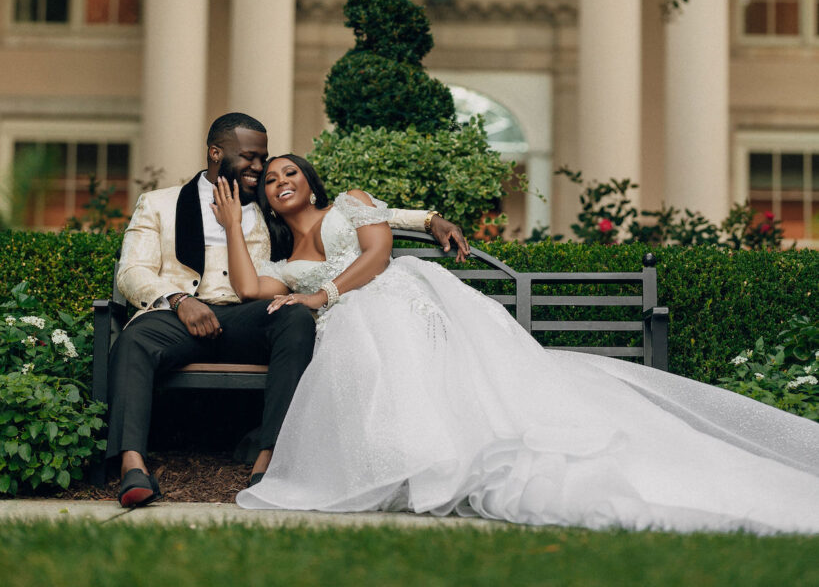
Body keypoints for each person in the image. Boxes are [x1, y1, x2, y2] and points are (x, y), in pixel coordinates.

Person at [210, 155, 819, 533]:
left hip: (397, 301)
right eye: (269, 181)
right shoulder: (289, 262)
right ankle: (414, 465)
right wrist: (236, 227)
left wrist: (323, 297)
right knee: (362, 365)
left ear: (310, 183)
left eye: (290, 172)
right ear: (264, 198)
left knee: (447, 376)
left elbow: (377, 255)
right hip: (351, 328)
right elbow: (245, 286)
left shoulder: (351, 204)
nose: (280, 182)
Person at [108, 113, 468, 508]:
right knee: (135, 337)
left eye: (263, 160)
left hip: (247, 316)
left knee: (294, 317)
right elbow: (133, 271)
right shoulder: (158, 204)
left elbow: (346, 216)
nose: (260, 168)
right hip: (181, 315)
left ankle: (274, 456)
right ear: (215, 153)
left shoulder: (270, 204)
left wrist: (428, 218)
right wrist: (179, 301)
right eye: (251, 158)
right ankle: (132, 466)